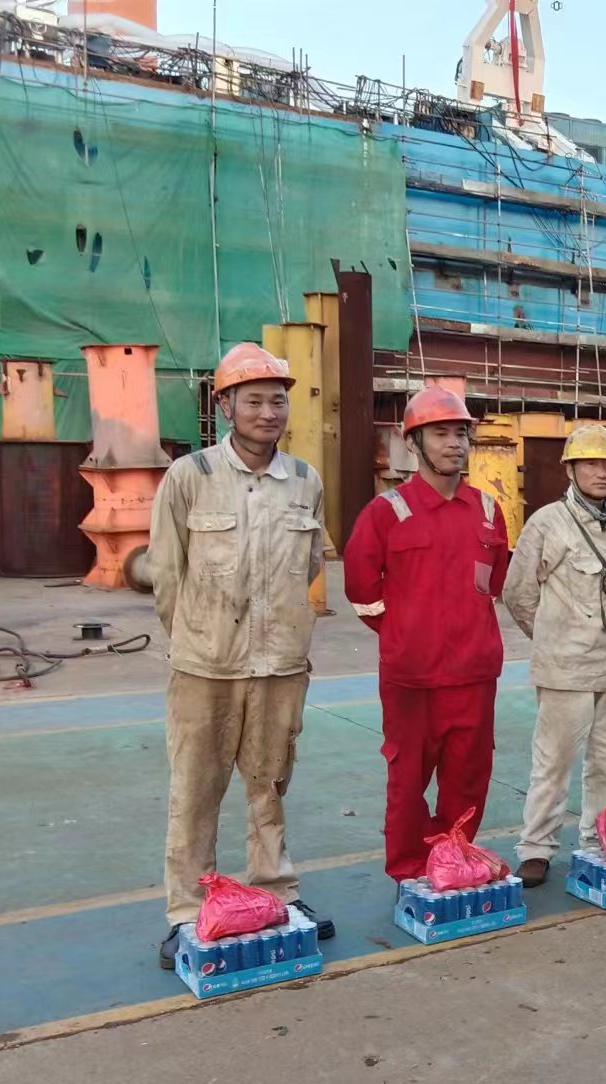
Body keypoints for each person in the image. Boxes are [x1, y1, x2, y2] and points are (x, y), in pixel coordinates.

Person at [146, 342, 333, 968]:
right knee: (196, 790)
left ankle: (275, 892)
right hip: (206, 667)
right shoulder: (190, 476)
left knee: (269, 784)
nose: (268, 412)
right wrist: (197, 640)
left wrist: (281, 632)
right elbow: (167, 574)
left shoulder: (305, 480)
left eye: (277, 401)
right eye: (253, 401)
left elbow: (308, 566)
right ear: (225, 405)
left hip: (280, 665)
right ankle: (185, 910)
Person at [343, 386, 508, 885]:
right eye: (440, 434)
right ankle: (411, 868)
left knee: (469, 776)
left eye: (461, 433)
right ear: (413, 443)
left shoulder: (487, 510)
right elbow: (361, 589)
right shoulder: (386, 512)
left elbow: (494, 583)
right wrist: (405, 632)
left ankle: (454, 857)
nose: (455, 443)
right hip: (412, 679)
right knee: (407, 776)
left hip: (474, 674)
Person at [502, 425, 606, 885]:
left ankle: (602, 839)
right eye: (592, 464)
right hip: (566, 670)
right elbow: (518, 593)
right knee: (553, 764)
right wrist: (553, 636)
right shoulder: (548, 523)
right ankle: (536, 848)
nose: (602, 473)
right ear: (571, 469)